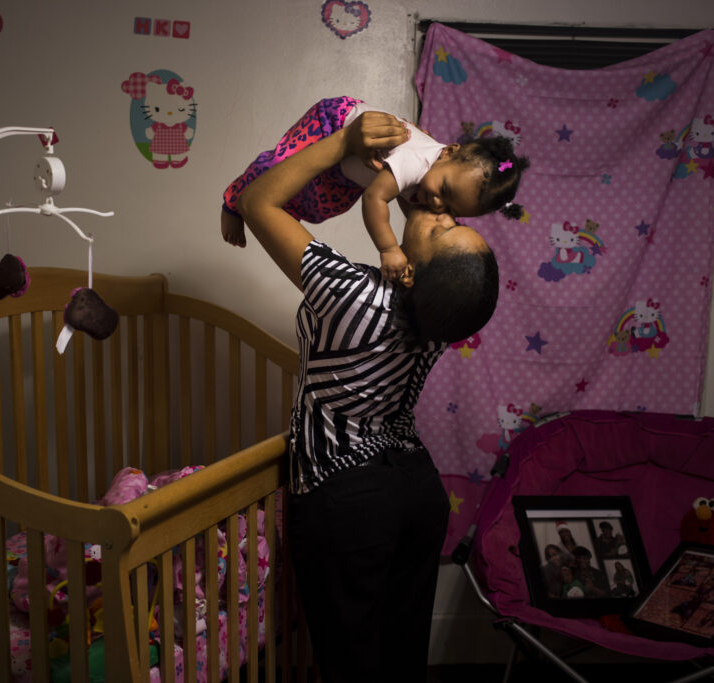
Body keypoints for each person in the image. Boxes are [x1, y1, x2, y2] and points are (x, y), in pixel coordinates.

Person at [235, 110, 507, 682]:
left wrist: (343, 142)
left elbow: (258, 203)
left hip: (347, 497)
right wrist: (418, 174)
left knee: (349, 657)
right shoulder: (439, 322)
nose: (436, 211)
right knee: (401, 653)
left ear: (418, 271)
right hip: (415, 493)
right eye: (448, 212)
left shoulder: (350, 293)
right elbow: (415, 207)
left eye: (441, 226)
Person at [223, 96, 529, 280]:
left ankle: (268, 210)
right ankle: (234, 200)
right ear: (448, 151)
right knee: (279, 169)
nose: (436, 204)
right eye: (444, 191)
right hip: (334, 123)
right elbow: (375, 197)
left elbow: (412, 206)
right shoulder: (415, 160)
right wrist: (389, 249)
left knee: (323, 207)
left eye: (449, 208)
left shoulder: (438, 171)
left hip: (347, 171)